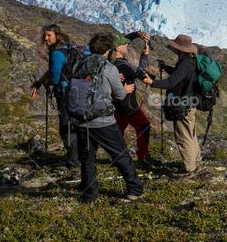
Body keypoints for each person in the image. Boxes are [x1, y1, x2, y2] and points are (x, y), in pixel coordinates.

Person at [71, 32, 144, 203]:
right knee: (120, 155)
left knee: (87, 158)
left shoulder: (79, 64)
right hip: (103, 121)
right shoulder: (109, 68)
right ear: (107, 50)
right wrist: (124, 89)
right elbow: (119, 95)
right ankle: (134, 189)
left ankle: (89, 194)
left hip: (82, 120)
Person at [142, 34, 200, 178]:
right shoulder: (190, 62)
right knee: (190, 133)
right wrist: (168, 68)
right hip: (190, 102)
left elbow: (170, 83)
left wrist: (152, 82)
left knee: (183, 136)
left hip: (182, 104)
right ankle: (195, 161)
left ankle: (188, 168)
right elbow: (180, 76)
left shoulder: (185, 64)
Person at [29, 24, 82, 167]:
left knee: (66, 126)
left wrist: (45, 83)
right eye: (44, 35)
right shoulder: (66, 48)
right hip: (76, 91)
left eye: (49, 35)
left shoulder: (57, 53)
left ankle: (73, 160)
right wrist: (39, 82)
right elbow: (54, 71)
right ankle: (77, 156)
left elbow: (54, 78)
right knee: (73, 125)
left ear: (56, 36)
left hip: (65, 94)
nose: (45, 38)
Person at [111, 31, 154, 167]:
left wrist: (137, 34)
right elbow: (140, 73)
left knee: (118, 130)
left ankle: (117, 156)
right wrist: (144, 57)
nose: (127, 46)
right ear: (117, 48)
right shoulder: (123, 65)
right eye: (124, 45)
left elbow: (125, 39)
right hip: (128, 105)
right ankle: (143, 156)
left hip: (118, 104)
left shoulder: (113, 63)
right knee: (143, 125)